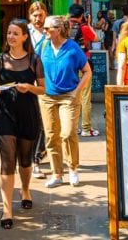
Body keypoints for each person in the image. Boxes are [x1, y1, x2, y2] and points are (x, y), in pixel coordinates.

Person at [0, 19, 44, 230]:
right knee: (8, 160)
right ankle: (7, 209)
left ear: (24, 37)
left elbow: (43, 89)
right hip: (4, 114)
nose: (11, 36)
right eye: (9, 33)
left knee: (25, 160)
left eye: (15, 33)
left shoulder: (34, 60)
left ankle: (26, 189)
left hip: (28, 114)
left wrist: (29, 87)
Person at [38, 15, 91, 188]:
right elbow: (34, 66)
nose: (44, 31)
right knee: (52, 136)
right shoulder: (43, 45)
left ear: (59, 30)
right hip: (47, 97)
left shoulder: (72, 47)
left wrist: (77, 91)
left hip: (69, 95)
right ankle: (57, 174)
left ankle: (73, 169)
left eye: (47, 28)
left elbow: (87, 71)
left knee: (68, 133)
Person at [67, 4, 98, 137]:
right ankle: (86, 128)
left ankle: (73, 127)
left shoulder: (64, 27)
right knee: (85, 97)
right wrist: (89, 23)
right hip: (83, 65)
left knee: (71, 97)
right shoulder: (84, 28)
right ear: (82, 16)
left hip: (68, 65)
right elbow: (96, 38)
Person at [26, 1, 49, 178]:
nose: (38, 18)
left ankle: (36, 159)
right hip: (28, 81)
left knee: (42, 122)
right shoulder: (25, 32)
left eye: (41, 15)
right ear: (30, 16)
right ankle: (33, 155)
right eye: (35, 15)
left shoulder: (50, 31)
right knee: (30, 121)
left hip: (46, 82)